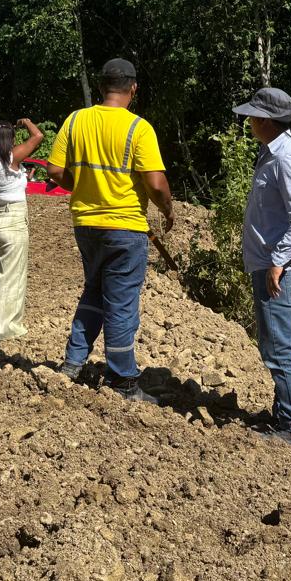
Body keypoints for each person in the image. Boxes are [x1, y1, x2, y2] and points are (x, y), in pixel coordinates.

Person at [46, 58, 174, 404]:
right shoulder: (138, 128)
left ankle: (73, 362)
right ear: (133, 88)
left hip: (86, 225)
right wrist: (167, 209)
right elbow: (156, 184)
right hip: (125, 227)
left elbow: (55, 171)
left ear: (101, 86)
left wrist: (82, 187)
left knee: (94, 291)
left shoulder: (75, 120)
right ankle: (123, 380)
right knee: (121, 304)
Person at [233, 87, 291, 445]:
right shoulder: (272, 153)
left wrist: (279, 260)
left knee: (280, 347)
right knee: (274, 345)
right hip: (273, 266)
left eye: (253, 116)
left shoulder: (286, 157)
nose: (249, 121)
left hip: (283, 269)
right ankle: (283, 415)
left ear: (266, 121)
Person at [0, 118, 44, 346]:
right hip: (12, 220)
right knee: (11, 277)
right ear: (12, 138)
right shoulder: (13, 158)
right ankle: (4, 329)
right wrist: (27, 122)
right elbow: (38, 136)